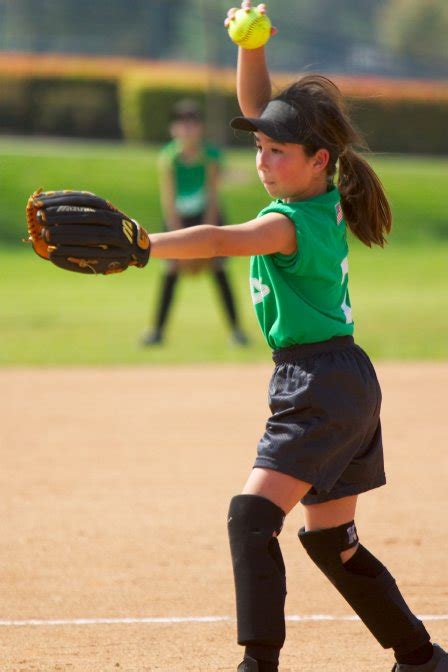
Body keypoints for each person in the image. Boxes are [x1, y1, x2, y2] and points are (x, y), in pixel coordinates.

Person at [143, 6, 448, 672]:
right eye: (257, 149)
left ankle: (259, 664)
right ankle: (421, 657)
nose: (261, 160)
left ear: (317, 160)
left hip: (317, 383)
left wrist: (146, 245)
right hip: (346, 380)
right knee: (331, 540)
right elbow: (260, 109)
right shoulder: (325, 192)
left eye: (275, 151)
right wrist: (252, 47)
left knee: (251, 516)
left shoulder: (287, 223)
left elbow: (224, 239)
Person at [141, 98, 248, 346]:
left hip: (206, 216)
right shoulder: (169, 157)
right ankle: (156, 331)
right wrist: (179, 237)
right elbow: (169, 199)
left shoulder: (209, 155)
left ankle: (236, 331)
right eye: (181, 124)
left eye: (192, 124)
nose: (187, 129)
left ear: (199, 128)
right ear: (173, 129)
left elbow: (212, 197)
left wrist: (209, 237)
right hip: (179, 218)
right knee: (170, 271)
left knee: (219, 269)